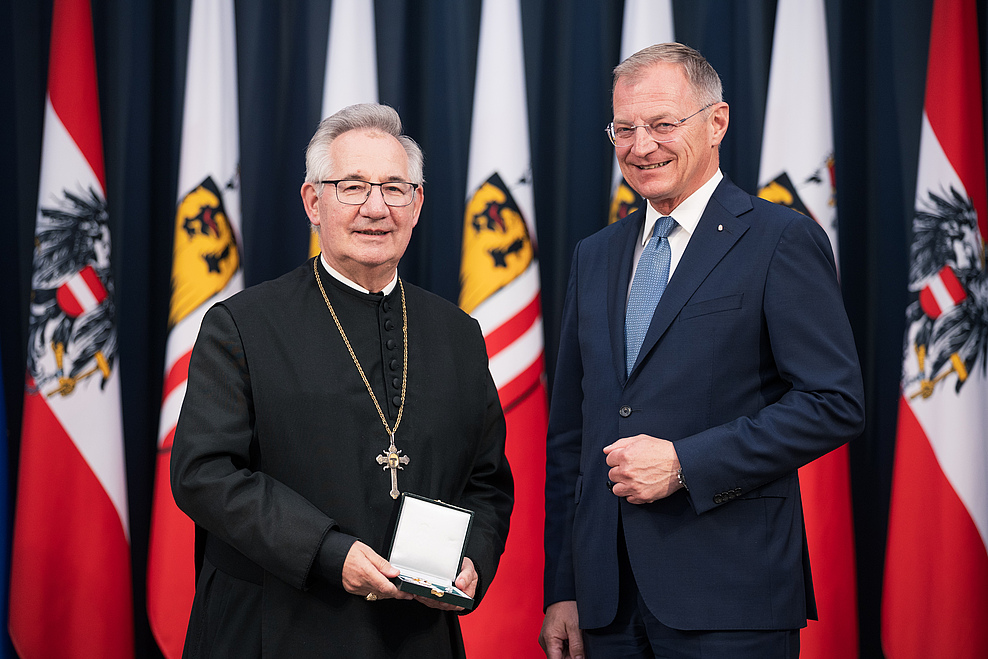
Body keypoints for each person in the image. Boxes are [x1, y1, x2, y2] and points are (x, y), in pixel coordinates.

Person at [539, 43, 865, 659]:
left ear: (716, 124)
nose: (641, 146)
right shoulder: (596, 255)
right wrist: (565, 587)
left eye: (663, 125)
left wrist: (686, 464)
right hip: (606, 605)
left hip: (731, 600)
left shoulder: (780, 239)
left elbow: (834, 403)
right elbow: (570, 439)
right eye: (624, 129)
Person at [171, 103, 513, 657]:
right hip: (274, 627)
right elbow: (203, 473)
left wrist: (471, 556)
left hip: (415, 634)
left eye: (395, 189)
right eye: (353, 187)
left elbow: (487, 480)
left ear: (417, 202)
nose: (376, 208)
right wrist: (329, 551)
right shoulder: (242, 325)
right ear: (313, 201)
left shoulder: (457, 335)